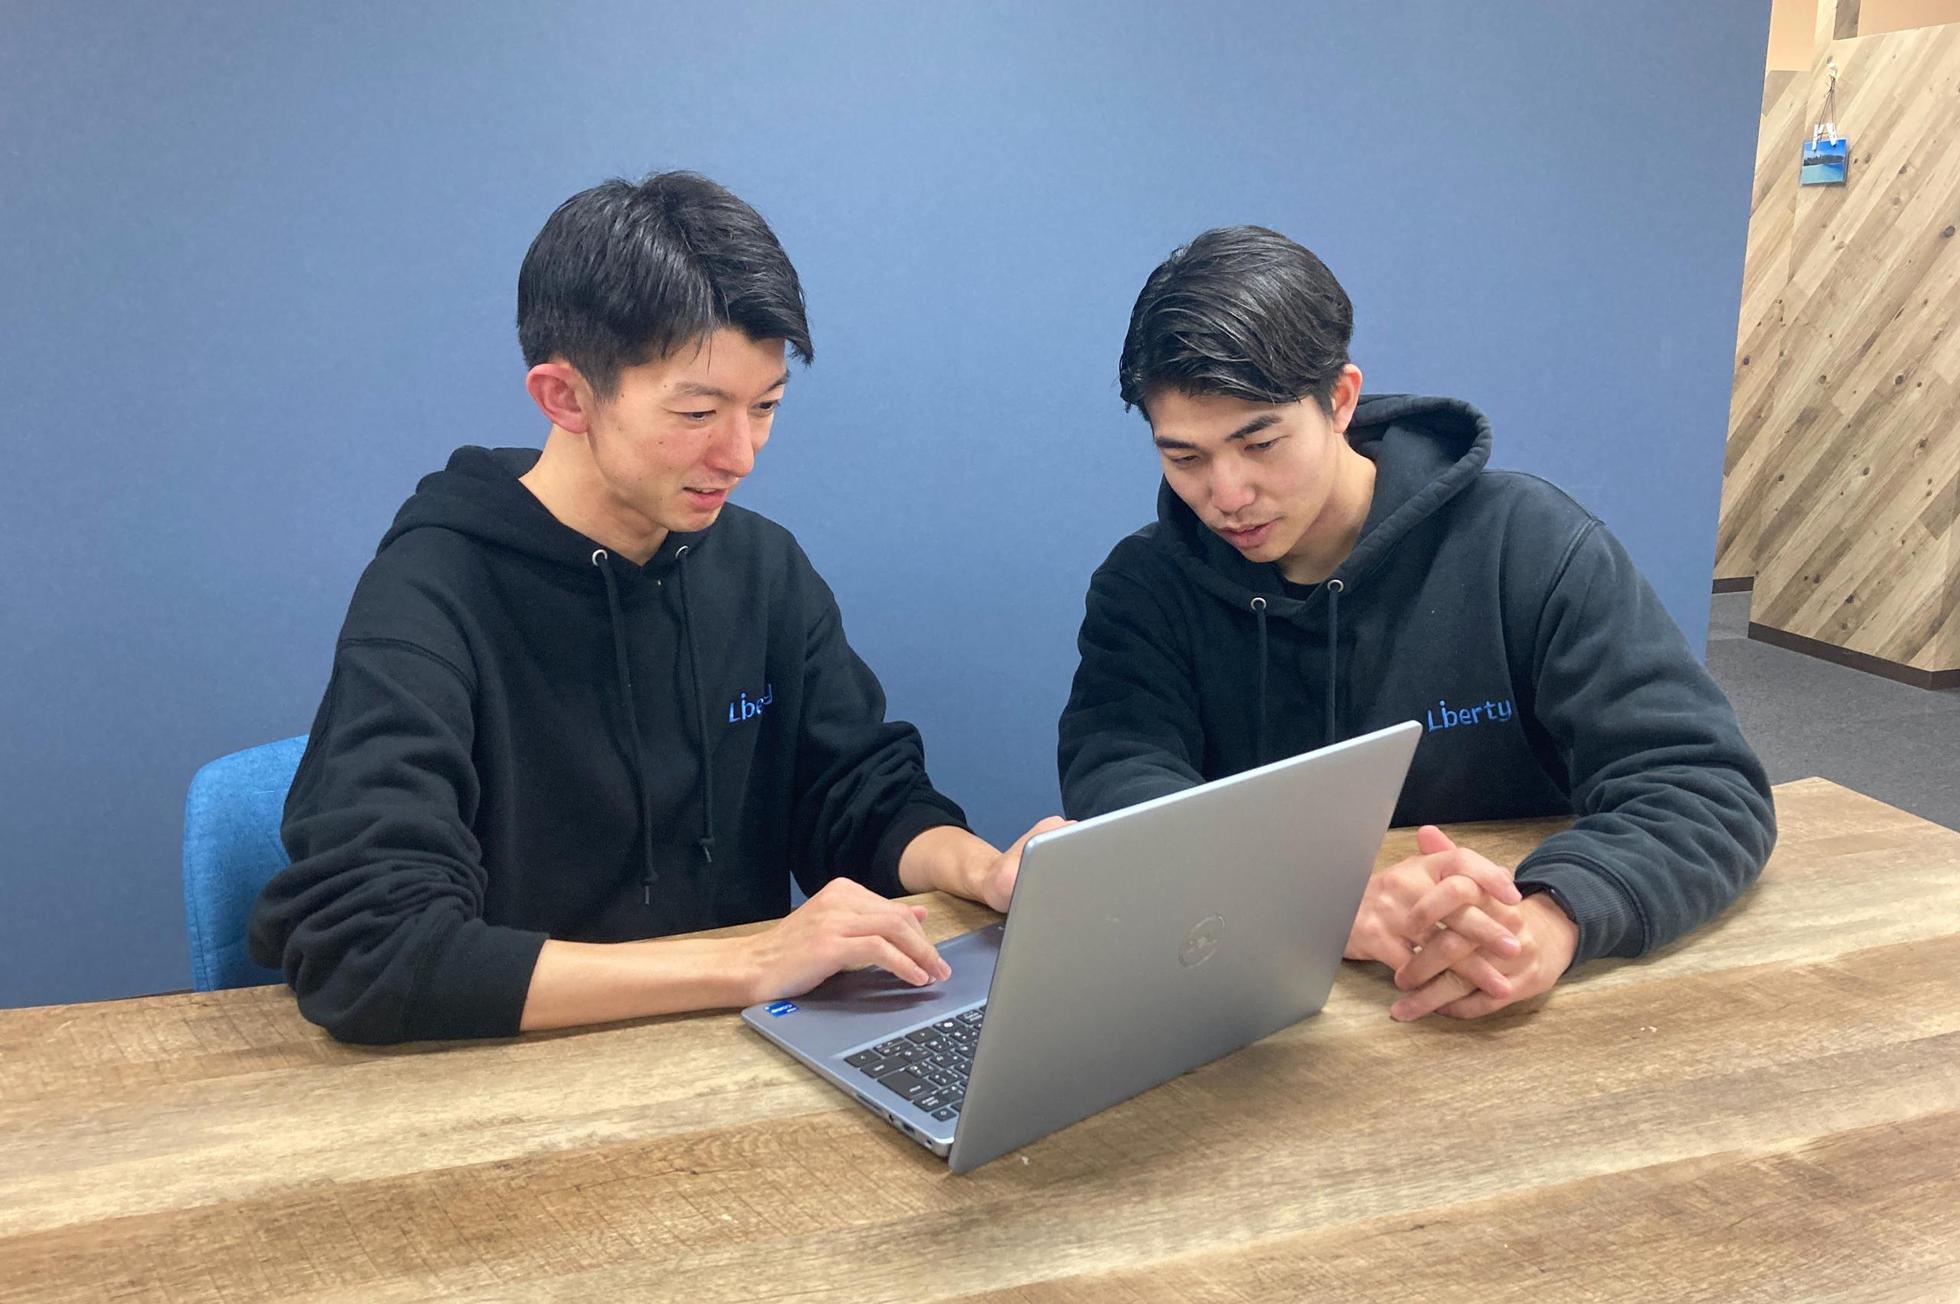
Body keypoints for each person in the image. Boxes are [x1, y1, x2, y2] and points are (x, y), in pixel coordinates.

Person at [251, 172, 1060, 1044]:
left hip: (736, 1058)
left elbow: (859, 798)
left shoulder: (761, 568)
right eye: (699, 411)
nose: (741, 454)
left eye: (767, 407)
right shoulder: (431, 592)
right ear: (565, 397)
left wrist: (986, 871)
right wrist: (748, 965)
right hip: (510, 1068)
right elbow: (374, 951)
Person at [1058, 225, 1775, 1022]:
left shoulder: (1526, 544)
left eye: (1259, 443)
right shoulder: (1146, 585)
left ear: (1339, 399)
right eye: (1185, 458)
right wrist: (1311, 902)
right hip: (1255, 1008)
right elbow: (1121, 784)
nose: (1227, 495)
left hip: (1509, 1009)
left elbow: (1700, 785)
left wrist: (1550, 919)